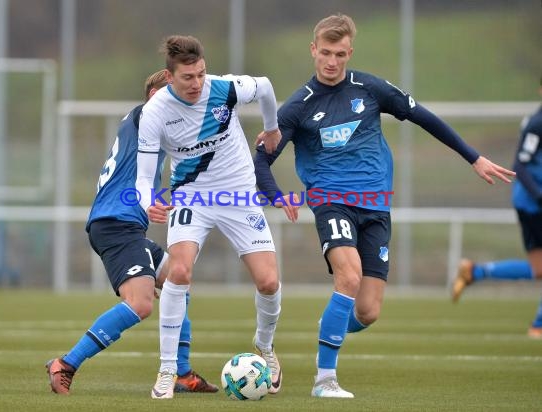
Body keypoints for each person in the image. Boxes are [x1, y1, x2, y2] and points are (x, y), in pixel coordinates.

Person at [253, 13, 516, 398]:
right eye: (325, 52)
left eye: (340, 54)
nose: (331, 61)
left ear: (349, 52)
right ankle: (324, 381)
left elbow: (422, 117)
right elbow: (260, 158)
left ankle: (332, 325)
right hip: (331, 202)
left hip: (376, 205)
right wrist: (278, 196)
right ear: (313, 50)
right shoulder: (297, 107)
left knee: (368, 311)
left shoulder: (370, 88)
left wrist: (473, 157)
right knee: (349, 276)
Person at [45, 70, 219, 395]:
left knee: (177, 279)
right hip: (116, 225)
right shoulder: (144, 116)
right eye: (170, 91)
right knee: (140, 304)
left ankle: (181, 372)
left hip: (124, 226)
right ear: (154, 96)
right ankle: (66, 364)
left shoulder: (152, 131)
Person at [135, 35, 283, 400]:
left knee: (268, 282)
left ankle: (265, 347)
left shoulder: (224, 88)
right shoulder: (154, 113)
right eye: (187, 77)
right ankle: (168, 369)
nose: (197, 83)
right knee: (180, 270)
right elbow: (142, 176)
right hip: (192, 196)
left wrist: (273, 126)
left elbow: (264, 87)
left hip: (238, 193)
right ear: (170, 77)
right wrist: (146, 200)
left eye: (200, 73)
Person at [452, 76, 542, 339]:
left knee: (538, 269)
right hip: (532, 203)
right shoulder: (538, 123)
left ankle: (476, 272)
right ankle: (538, 325)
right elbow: (521, 163)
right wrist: (538, 195)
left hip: (530, 201)